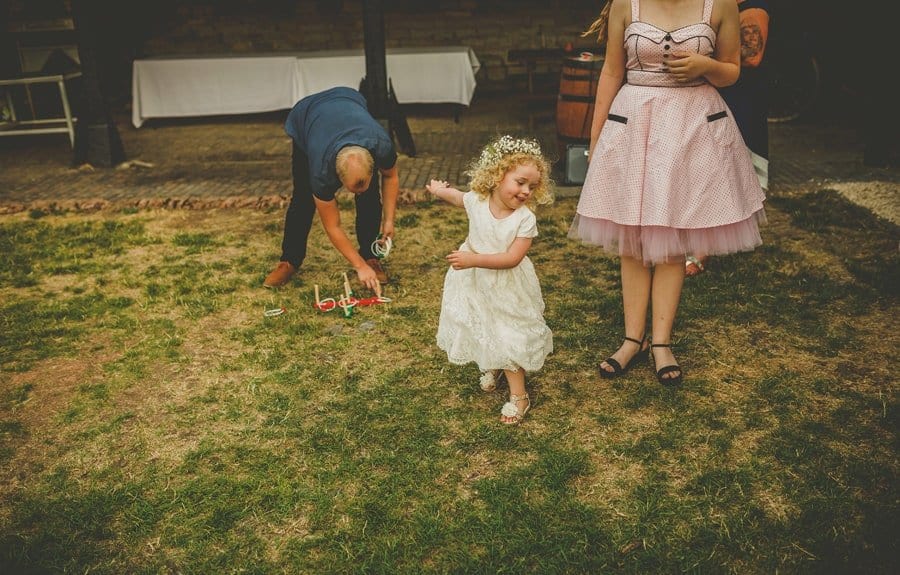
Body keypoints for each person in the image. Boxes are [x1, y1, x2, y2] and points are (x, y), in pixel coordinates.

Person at [569, 0, 766, 385]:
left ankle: (660, 342)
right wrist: (597, 138)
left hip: (690, 127)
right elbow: (612, 70)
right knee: (632, 237)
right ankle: (631, 339)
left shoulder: (720, 4)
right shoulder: (628, 3)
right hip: (634, 124)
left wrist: (705, 67)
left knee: (673, 236)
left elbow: (732, 71)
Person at [425, 135, 555, 425]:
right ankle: (493, 364)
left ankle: (519, 396)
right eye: (520, 182)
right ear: (498, 175)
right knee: (484, 324)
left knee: (508, 332)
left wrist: (473, 260)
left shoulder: (524, 219)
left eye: (532, 186)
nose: (525, 191)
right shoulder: (478, 201)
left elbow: (512, 259)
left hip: (506, 284)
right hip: (475, 283)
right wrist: (439, 190)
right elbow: (460, 198)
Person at [263, 86, 398, 291]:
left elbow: (391, 176)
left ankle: (370, 256)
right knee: (303, 198)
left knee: (370, 196)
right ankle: (289, 260)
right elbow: (333, 226)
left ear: (373, 166)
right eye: (353, 189)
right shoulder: (321, 171)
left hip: (348, 99)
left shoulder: (381, 145)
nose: (357, 192)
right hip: (307, 117)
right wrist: (358, 267)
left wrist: (389, 220)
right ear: (337, 178)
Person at [686, 0, 770, 277]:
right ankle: (693, 244)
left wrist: (704, 55)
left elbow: (752, 57)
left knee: (723, 176)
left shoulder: (752, 7)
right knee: (702, 173)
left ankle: (702, 250)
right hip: (709, 97)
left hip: (739, 101)